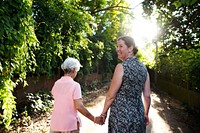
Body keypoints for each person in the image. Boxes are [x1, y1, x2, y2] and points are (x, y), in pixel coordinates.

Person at [100, 36, 151, 133]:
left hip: (120, 117)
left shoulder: (121, 67)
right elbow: (147, 96)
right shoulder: (144, 69)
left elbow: (111, 95)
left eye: (120, 46)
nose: (117, 49)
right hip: (139, 116)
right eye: (117, 46)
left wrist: (104, 112)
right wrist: (145, 114)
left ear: (130, 48)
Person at [50, 57, 102, 133]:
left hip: (55, 124)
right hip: (70, 125)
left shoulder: (56, 83)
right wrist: (93, 119)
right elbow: (79, 106)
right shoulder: (75, 85)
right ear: (74, 70)